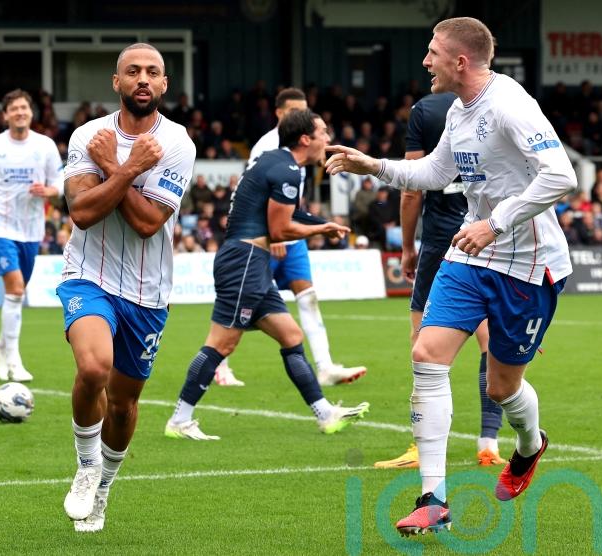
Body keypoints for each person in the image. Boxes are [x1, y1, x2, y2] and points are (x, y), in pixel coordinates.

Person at [325, 17, 576, 535]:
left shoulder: (511, 105)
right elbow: (435, 174)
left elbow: (561, 175)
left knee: (502, 387)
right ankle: (433, 499)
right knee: (426, 355)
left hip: (529, 265)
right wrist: (373, 165)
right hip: (470, 256)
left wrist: (495, 222)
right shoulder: (459, 112)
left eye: (432, 52)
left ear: (460, 61)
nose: (425, 61)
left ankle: (530, 445)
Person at [165, 109, 369, 441]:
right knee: (222, 342)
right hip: (244, 262)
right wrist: (319, 230)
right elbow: (280, 229)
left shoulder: (277, 163)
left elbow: (290, 214)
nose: (328, 139)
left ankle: (325, 414)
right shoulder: (287, 169)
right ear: (305, 138)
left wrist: (323, 224)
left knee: (291, 335)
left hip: (251, 262)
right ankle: (179, 419)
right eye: (323, 132)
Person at [57, 43, 195, 533]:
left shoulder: (177, 143)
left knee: (123, 403)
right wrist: (132, 167)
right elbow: (82, 212)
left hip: (147, 291)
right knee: (93, 367)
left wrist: (118, 168)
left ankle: (103, 489)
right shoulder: (87, 135)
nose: (142, 79)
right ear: (116, 81)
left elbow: (148, 222)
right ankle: (86, 465)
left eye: (152, 72)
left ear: (164, 84)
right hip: (87, 273)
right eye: (132, 71)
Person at [374, 92, 506, 471]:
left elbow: (412, 188)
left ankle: (421, 446)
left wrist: (407, 246)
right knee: (489, 340)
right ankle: (488, 442)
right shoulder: (497, 101)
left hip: (441, 239)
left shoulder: (425, 110)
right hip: (485, 234)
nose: (428, 64)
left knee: (422, 341)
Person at [214, 87, 367, 388]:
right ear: (279, 113)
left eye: (304, 111)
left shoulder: (303, 146)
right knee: (243, 300)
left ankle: (325, 366)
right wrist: (278, 237)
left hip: (290, 229)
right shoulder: (267, 146)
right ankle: (220, 365)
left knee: (307, 295)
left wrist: (319, 223)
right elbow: (255, 193)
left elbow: (292, 200)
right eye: (294, 111)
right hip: (267, 236)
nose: (301, 116)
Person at [0, 89, 63, 383]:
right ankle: (14, 359)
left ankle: (2, 344)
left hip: (32, 230)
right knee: (16, 288)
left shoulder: (45, 145)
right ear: (5, 115)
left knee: (16, 294)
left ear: (31, 113)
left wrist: (49, 190)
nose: (20, 112)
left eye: (24, 108)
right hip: (0, 226)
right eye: (14, 109)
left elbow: (60, 182)